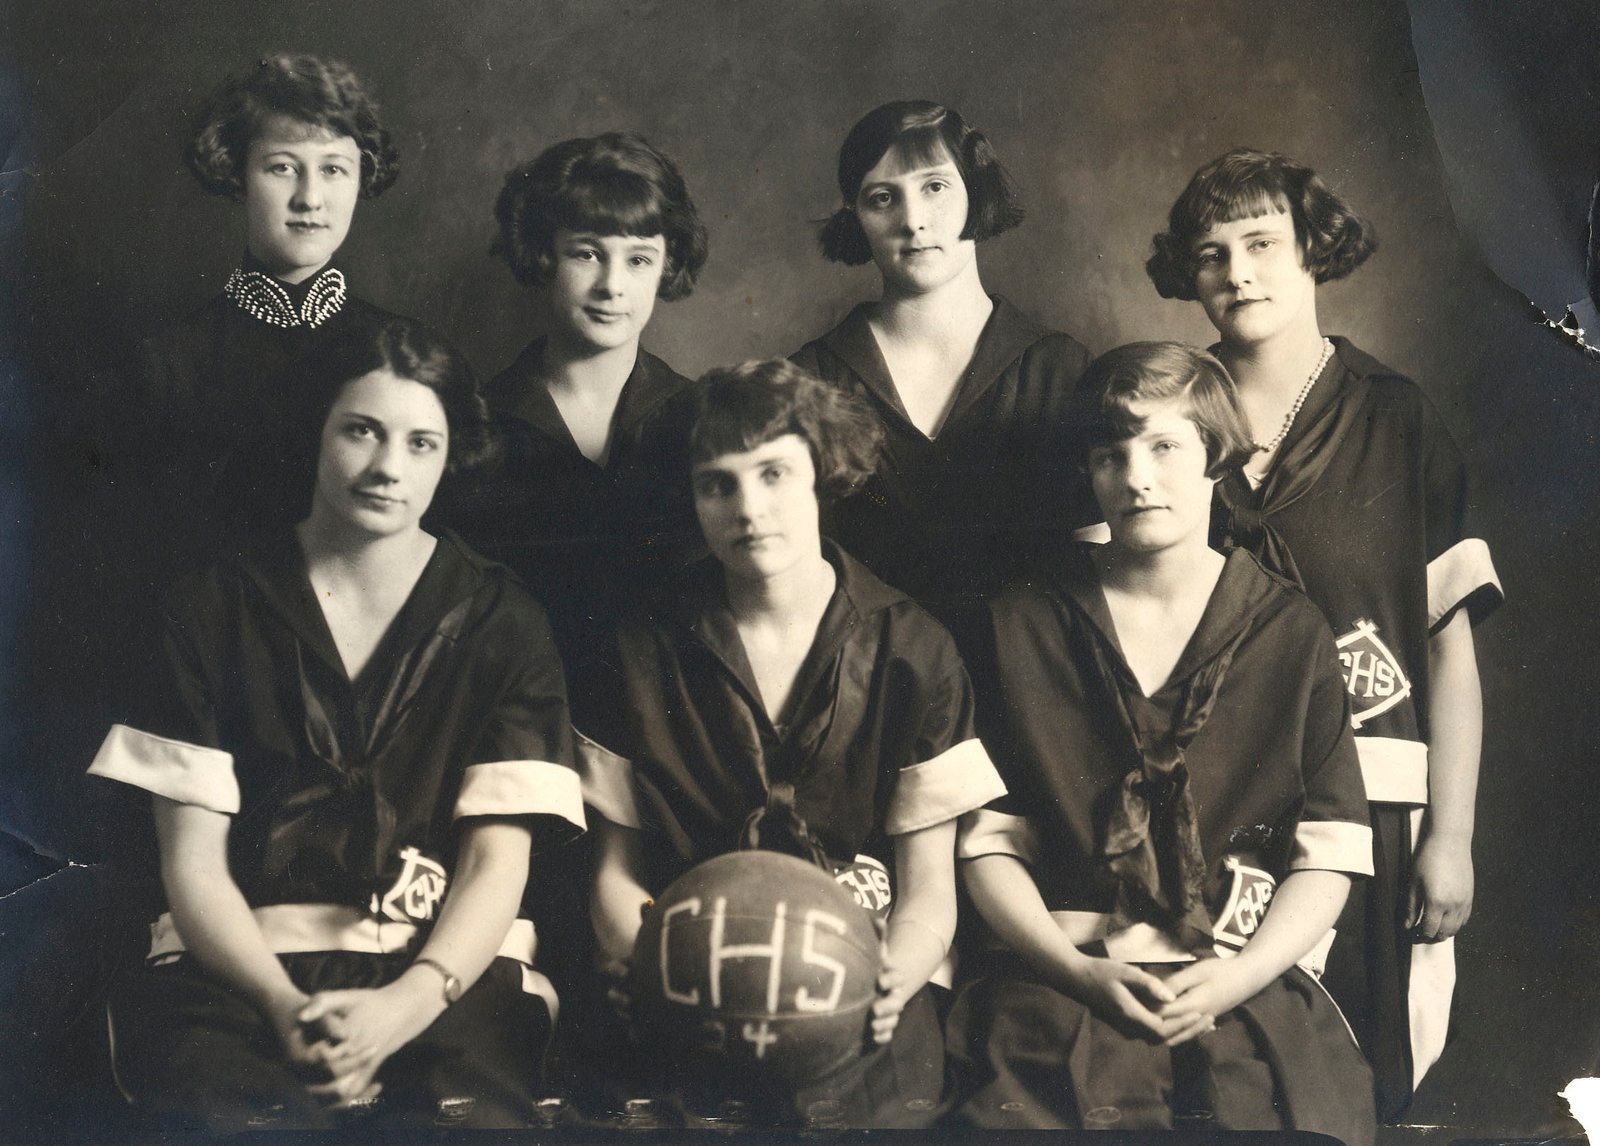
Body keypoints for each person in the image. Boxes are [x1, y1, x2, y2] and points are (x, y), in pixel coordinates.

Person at [86, 318, 585, 1132]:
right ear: (316, 431)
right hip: (239, 971)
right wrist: (284, 1008)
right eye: (362, 430)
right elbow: (194, 861)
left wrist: (404, 1006)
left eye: (423, 443)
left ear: (450, 455)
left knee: (464, 1114)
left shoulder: (503, 619)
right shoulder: (210, 606)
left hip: (442, 975)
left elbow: (499, 859)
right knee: (220, 1112)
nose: (390, 467)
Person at [1146, 149, 1503, 1118]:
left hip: (1376, 798)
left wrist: (1453, 837)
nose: (1237, 274)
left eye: (1261, 244)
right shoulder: (1166, 421)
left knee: (1364, 1075)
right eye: (1211, 253)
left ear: (1314, 252)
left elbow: (1446, 648)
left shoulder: (1395, 417)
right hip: (1209, 803)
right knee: (1228, 1075)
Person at [947, 342, 1376, 1141]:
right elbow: (987, 844)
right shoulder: (1020, 623)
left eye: (1165, 446)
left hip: (1236, 979)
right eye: (1111, 454)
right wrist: (1074, 969)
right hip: (1061, 974)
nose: (1136, 476)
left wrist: (1238, 978)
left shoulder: (1290, 631)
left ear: (1216, 457)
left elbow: (1327, 854)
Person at [576, 360, 1006, 1128]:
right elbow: (615, 867)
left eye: (774, 473)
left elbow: (929, 889)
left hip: (855, 969)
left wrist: (891, 978)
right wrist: (638, 956)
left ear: (822, 473)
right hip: (684, 968)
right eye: (719, 484)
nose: (749, 508)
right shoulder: (638, 645)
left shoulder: (914, 646)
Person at [792, 99, 1094, 621]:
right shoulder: (810, 381)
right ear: (856, 218)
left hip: (1037, 681)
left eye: (935, 187)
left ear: (977, 193)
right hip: (871, 683)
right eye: (883, 198)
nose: (913, 221)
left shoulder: (1059, 369)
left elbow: (1099, 572)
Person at [450, 131, 709, 665]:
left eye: (639, 260)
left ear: (667, 265)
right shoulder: (476, 424)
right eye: (588, 253)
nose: (612, 285)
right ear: (544, 255)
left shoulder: (700, 418)